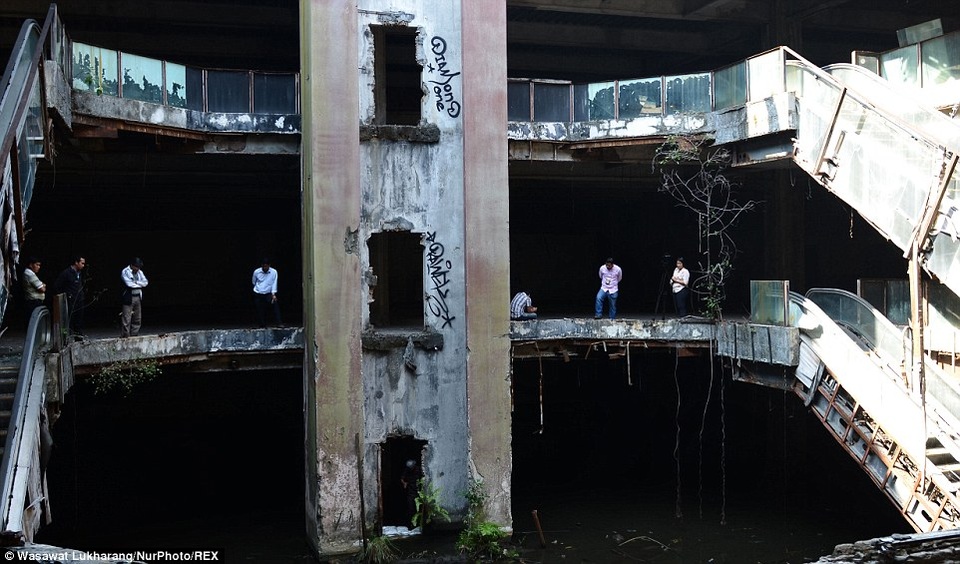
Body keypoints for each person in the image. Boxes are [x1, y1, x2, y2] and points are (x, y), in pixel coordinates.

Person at [52, 255, 86, 339]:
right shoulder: (66, 273)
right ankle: (65, 337)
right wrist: (66, 295)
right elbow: (57, 286)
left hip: (79, 300)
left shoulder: (79, 273)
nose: (83, 266)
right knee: (67, 320)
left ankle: (78, 336)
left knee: (78, 320)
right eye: (82, 263)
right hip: (70, 300)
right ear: (76, 262)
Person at [120, 257, 149, 337]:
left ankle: (134, 334)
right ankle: (125, 335)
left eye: (139, 267)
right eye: (136, 267)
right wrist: (140, 284)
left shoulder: (140, 272)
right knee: (127, 317)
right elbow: (129, 284)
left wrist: (136, 282)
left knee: (137, 317)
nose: (138, 269)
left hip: (138, 297)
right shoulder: (125, 271)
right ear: (132, 265)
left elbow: (145, 282)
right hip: (129, 296)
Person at [252, 258, 281, 327]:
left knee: (274, 306)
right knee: (260, 309)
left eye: (266, 266)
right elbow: (254, 282)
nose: (265, 268)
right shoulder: (256, 272)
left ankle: (279, 322)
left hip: (268, 293)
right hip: (258, 292)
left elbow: (274, 283)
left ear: (269, 265)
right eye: (263, 266)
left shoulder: (274, 272)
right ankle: (262, 324)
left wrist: (273, 294)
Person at [21, 257, 45, 322]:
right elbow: (42, 289)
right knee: (34, 321)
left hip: (34, 302)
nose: (39, 267)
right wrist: (43, 285)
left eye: (39, 265)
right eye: (37, 265)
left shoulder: (31, 273)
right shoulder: (30, 274)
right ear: (31, 265)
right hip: (33, 302)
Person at [400, 459, 422, 528]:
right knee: (411, 508)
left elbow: (424, 478)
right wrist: (404, 483)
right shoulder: (407, 470)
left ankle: (419, 524)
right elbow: (402, 478)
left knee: (418, 509)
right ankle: (411, 524)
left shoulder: (419, 469)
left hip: (419, 492)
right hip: (410, 492)